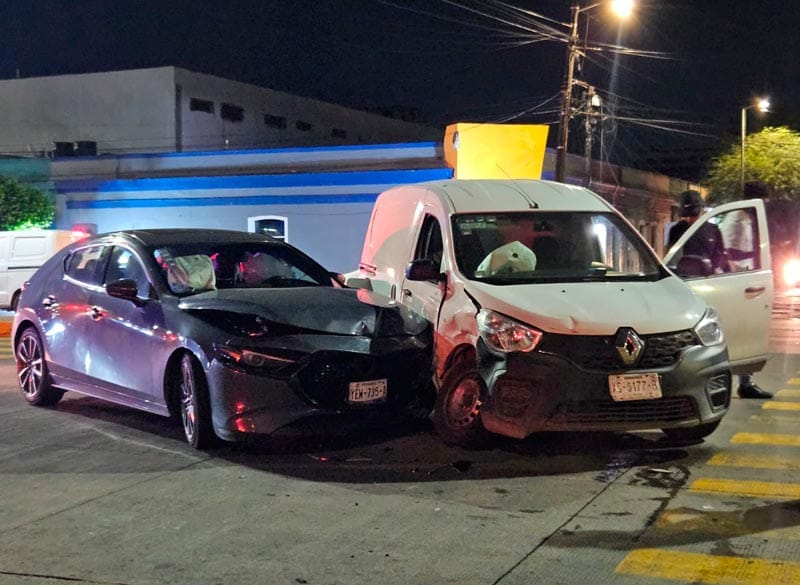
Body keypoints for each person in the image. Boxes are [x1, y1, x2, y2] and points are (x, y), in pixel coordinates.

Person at [725, 180, 773, 399]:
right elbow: (732, 254)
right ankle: (743, 383)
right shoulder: (736, 220)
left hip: (746, 282)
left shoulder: (743, 218)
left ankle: (746, 381)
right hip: (738, 284)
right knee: (741, 333)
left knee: (747, 332)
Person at [668, 190, 730, 273]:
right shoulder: (676, 230)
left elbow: (720, 255)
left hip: (708, 277)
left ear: (702, 209)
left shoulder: (713, 230)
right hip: (683, 277)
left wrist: (716, 268)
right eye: (686, 215)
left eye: (693, 215)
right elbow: (671, 258)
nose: (689, 219)